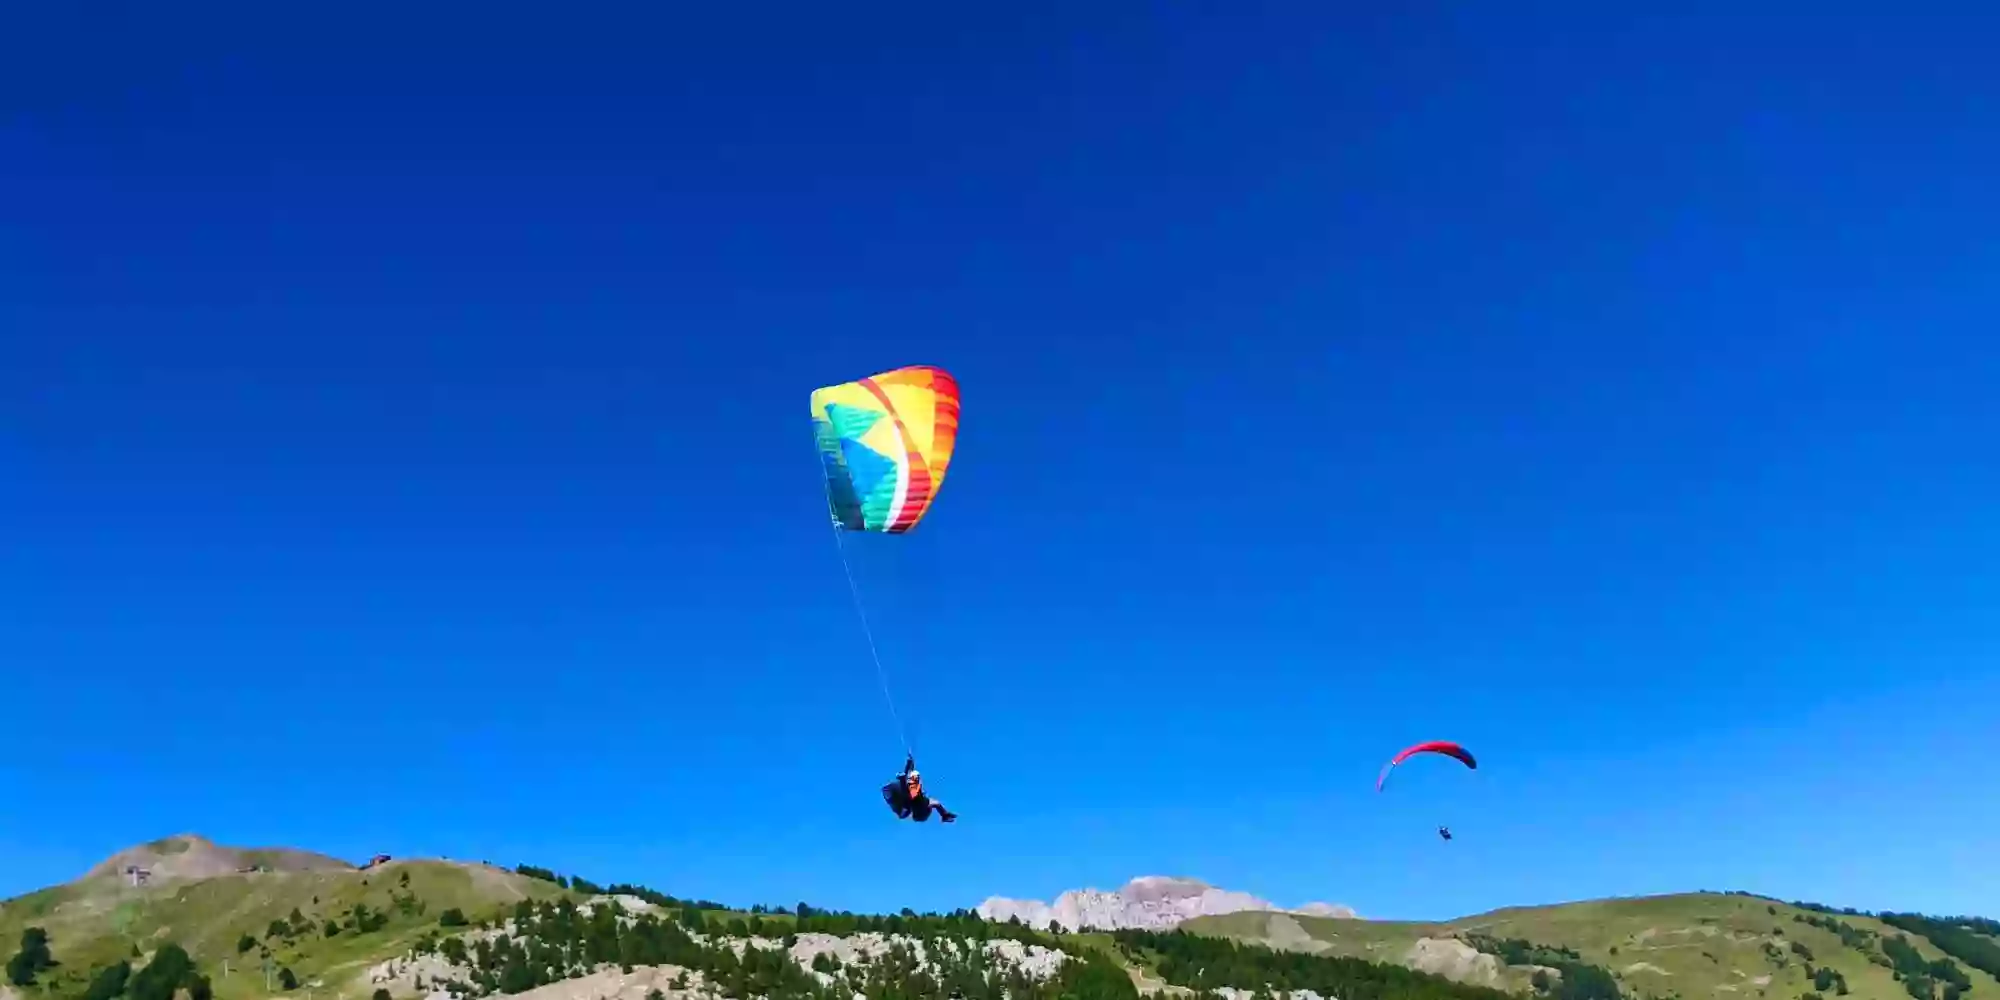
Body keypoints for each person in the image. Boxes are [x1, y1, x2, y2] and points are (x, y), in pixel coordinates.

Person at [882, 755, 956, 823]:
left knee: (908, 799)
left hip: (899, 801)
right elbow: (937, 804)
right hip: (902, 799)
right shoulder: (926, 802)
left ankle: (906, 779)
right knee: (911, 794)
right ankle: (907, 777)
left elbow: (906, 792)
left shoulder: (908, 807)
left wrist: (908, 767)